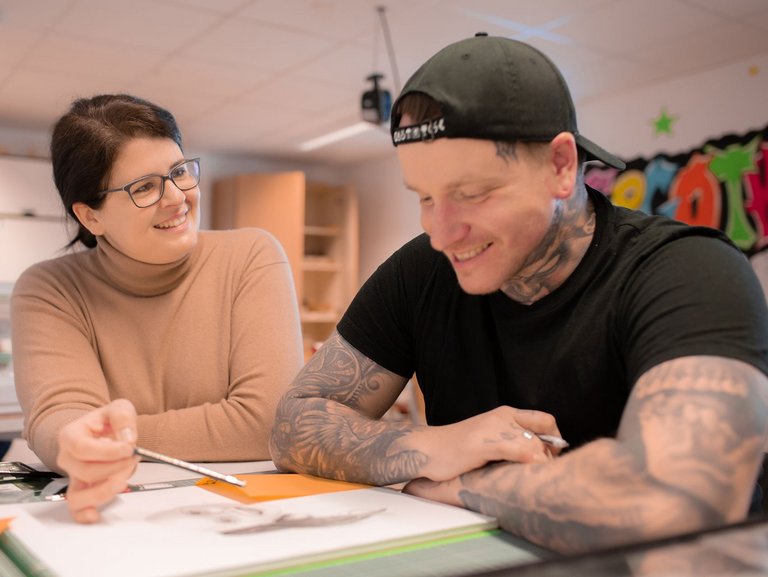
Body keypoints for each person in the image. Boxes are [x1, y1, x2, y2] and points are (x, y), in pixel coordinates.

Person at [270, 34, 768, 554]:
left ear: (560, 165)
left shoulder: (688, 272)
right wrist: (430, 446)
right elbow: (292, 423)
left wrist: (466, 486)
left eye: (470, 194)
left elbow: (679, 506)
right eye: (425, 198)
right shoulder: (422, 270)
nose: (441, 233)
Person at [11, 94, 303, 522]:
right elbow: (64, 418)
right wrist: (65, 436)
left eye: (179, 172)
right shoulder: (50, 289)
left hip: (243, 514)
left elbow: (269, 422)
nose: (176, 198)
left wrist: (111, 437)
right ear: (91, 217)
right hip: (117, 519)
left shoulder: (251, 255)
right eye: (144, 187)